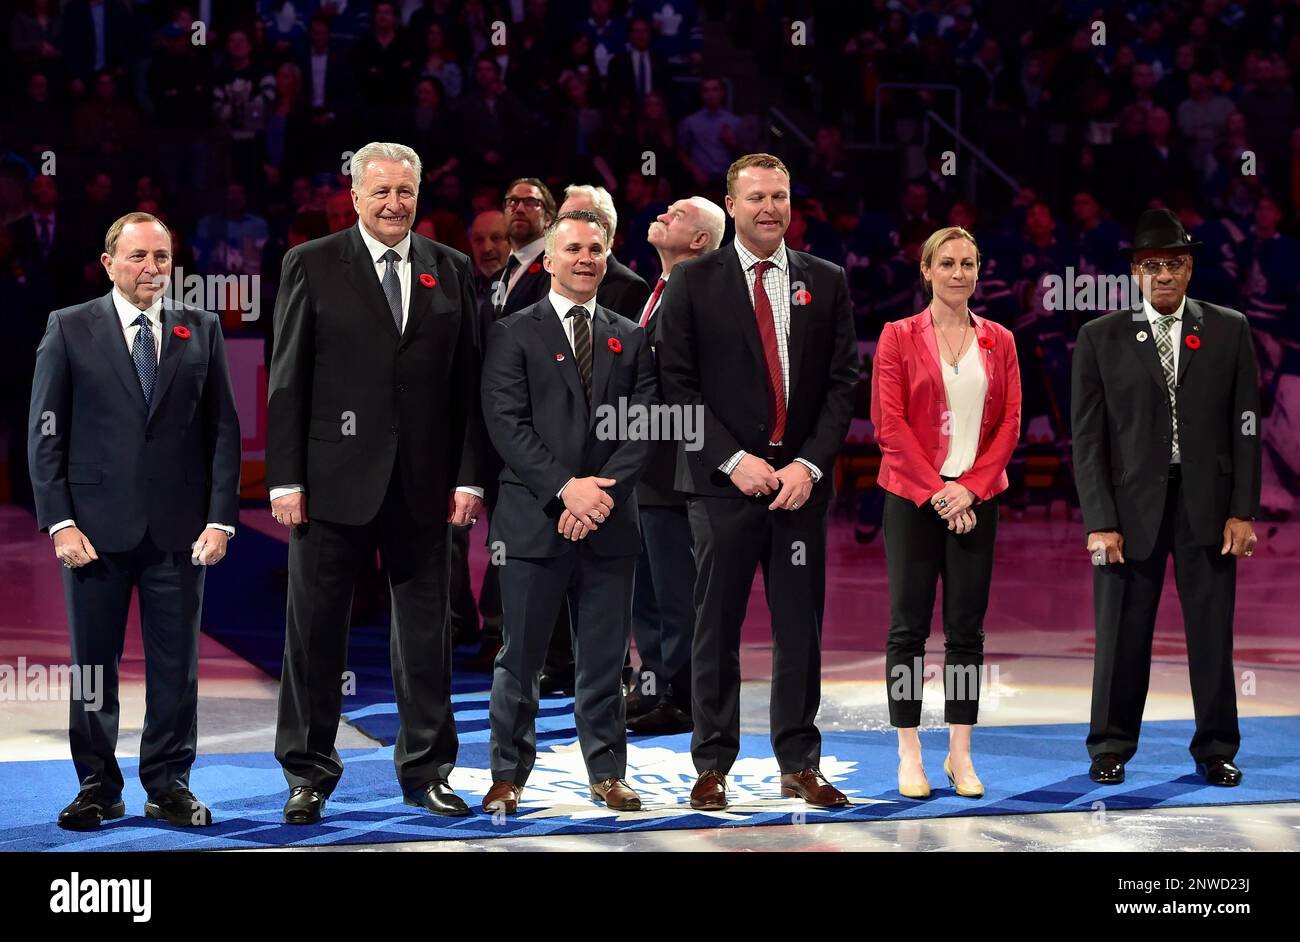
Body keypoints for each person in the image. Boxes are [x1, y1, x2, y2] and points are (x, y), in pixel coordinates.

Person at [267, 142, 485, 824]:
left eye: (405, 192)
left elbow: (469, 387)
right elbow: (287, 379)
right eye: (381, 191)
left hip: (424, 485)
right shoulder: (311, 263)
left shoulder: (449, 269)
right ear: (355, 197)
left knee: (427, 634)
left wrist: (470, 478)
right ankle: (308, 773)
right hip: (331, 481)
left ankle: (428, 771)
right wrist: (284, 478)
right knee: (315, 634)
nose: (394, 204)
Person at [656, 154, 858, 811]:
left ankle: (799, 764)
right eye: (757, 198)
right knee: (715, 625)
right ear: (732, 206)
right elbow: (674, 389)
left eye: (780, 196)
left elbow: (840, 387)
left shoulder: (826, 282)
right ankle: (712, 763)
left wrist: (809, 465)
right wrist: (732, 460)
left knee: (801, 627)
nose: (770, 208)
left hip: (798, 487)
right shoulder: (693, 283)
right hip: (723, 486)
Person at [28, 212, 241, 830]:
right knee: (94, 665)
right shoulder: (69, 327)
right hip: (92, 532)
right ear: (108, 262)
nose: (152, 269)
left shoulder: (198, 327)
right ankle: (98, 785)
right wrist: (59, 522)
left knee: (176, 667)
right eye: (139, 257)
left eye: (162, 258)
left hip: (179, 531)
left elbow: (222, 431)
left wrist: (221, 519)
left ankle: (169, 783)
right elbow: (46, 434)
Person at [1072, 207, 1261, 788]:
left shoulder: (1230, 328)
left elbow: (1245, 424)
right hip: (1129, 511)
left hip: (1207, 504)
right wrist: (1100, 520)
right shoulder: (1099, 337)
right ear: (1135, 271)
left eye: (1174, 264)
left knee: (1211, 634)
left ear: (1189, 268)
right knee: (1122, 634)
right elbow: (1088, 439)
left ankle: (1216, 749)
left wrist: (1243, 509)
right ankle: (1110, 746)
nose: (1163, 275)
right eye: (1152, 265)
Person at [480, 209, 659, 814]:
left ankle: (607, 773)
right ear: (548, 260)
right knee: (521, 659)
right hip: (535, 522)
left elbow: (644, 426)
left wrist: (597, 496)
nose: (586, 259)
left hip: (608, 524)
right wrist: (565, 490)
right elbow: (506, 425)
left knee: (605, 662)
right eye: (574, 249)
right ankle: (508, 774)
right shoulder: (512, 331)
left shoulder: (629, 335)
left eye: (596, 250)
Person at [870, 226, 1022, 800]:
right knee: (907, 629)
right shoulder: (897, 336)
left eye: (968, 264)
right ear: (927, 271)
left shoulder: (1000, 339)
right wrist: (940, 493)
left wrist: (973, 490)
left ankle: (960, 753)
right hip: (913, 499)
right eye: (948, 264)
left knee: (966, 633)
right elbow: (890, 426)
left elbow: (1009, 424)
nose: (959, 273)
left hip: (977, 500)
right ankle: (910, 751)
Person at [626, 195, 725, 734]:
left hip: (680, 469)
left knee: (678, 592)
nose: (662, 212)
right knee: (649, 588)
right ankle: (658, 687)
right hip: (648, 466)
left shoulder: (706, 296)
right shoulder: (659, 290)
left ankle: (685, 699)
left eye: (678, 213)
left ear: (700, 240)